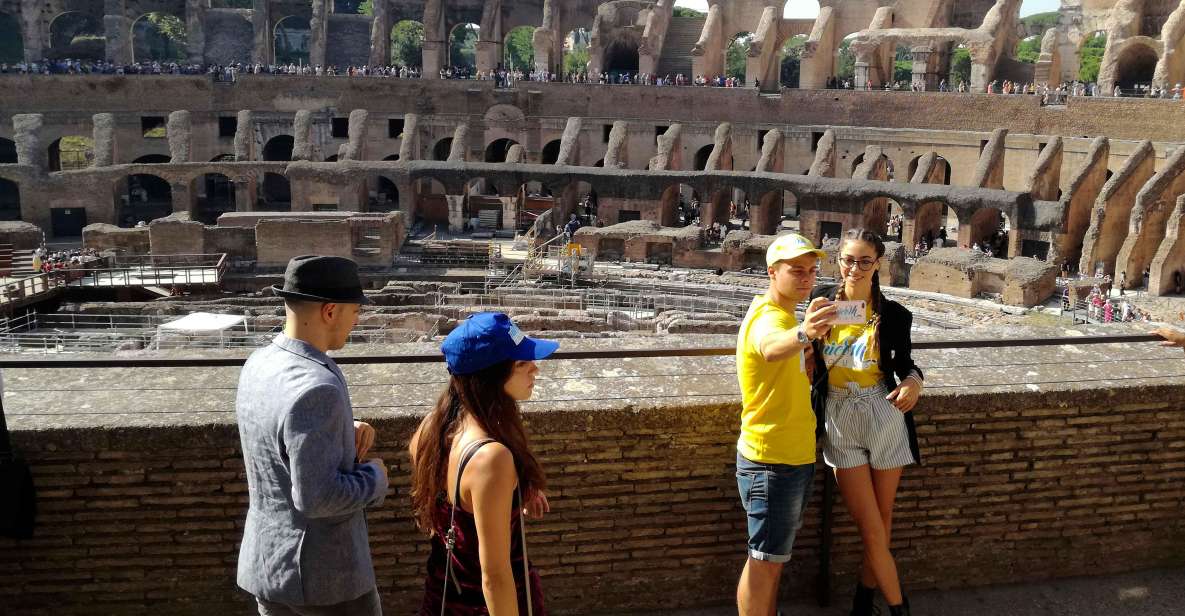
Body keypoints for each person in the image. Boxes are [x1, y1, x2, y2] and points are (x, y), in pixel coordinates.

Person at [235, 255, 388, 616]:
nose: (357, 320)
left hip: (269, 564)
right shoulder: (317, 387)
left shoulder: (259, 363)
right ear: (330, 311)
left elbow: (277, 437)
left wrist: (340, 434)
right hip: (324, 581)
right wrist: (376, 477)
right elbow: (318, 498)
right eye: (355, 311)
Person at [410, 312, 557, 615]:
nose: (535, 369)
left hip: (441, 595)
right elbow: (495, 577)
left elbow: (458, 503)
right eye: (521, 363)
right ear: (490, 376)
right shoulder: (492, 458)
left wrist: (514, 495)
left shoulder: (431, 428)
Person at [808, 229, 922, 616]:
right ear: (838, 260)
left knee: (882, 518)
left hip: (882, 409)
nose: (853, 269)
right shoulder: (820, 302)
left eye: (863, 261)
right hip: (839, 413)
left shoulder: (894, 315)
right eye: (847, 260)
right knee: (871, 524)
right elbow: (808, 356)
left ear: (878, 263)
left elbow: (906, 364)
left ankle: (863, 599)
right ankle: (896, 606)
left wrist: (913, 382)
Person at [734, 233, 837, 615]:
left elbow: (782, 363)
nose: (807, 278)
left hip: (788, 456)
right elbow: (769, 346)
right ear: (771, 272)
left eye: (811, 271)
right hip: (772, 460)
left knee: (771, 562)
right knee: (763, 563)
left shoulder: (781, 312)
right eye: (796, 270)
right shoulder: (770, 317)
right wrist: (804, 333)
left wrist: (807, 361)